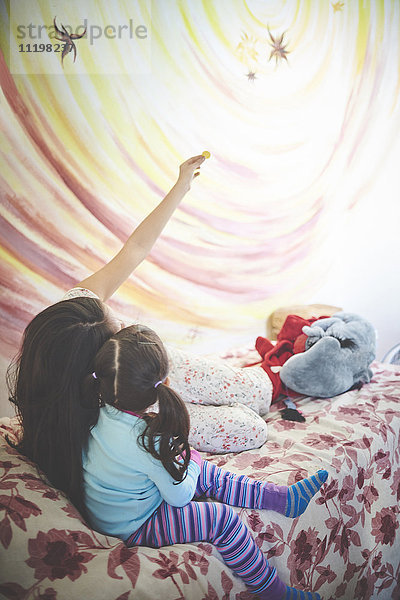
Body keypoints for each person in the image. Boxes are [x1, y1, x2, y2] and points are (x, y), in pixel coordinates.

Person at [82, 323, 327, 600]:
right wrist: (194, 459)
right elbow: (180, 497)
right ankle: (273, 590)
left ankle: (281, 499)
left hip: (117, 510)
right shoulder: (146, 441)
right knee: (221, 518)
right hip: (137, 525)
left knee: (202, 470)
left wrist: (191, 463)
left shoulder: (99, 414)